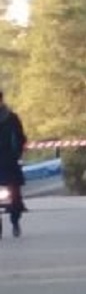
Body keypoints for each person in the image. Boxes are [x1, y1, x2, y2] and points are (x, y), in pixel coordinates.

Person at [0, 91, 27, 238]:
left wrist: (18, 154)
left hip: (9, 160)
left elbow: (21, 138)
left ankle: (15, 220)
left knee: (15, 194)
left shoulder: (12, 118)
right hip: (7, 160)